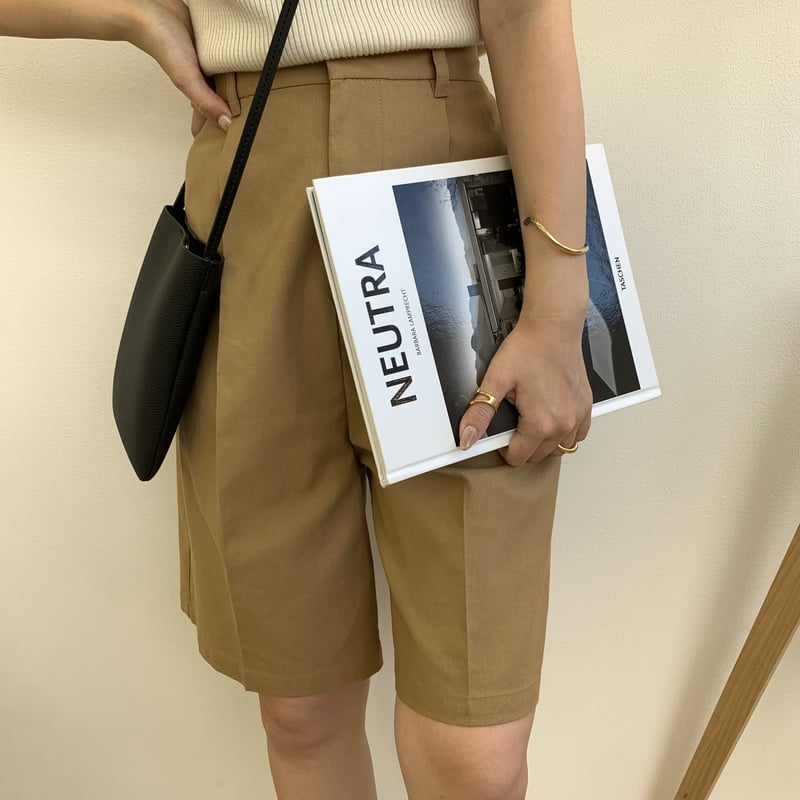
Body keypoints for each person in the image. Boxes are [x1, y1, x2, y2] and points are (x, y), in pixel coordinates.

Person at [3, 1, 592, 797]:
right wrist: (138, 15)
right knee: (300, 708)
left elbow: (523, 11)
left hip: (436, 176)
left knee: (474, 755)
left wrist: (556, 307)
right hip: (249, 174)